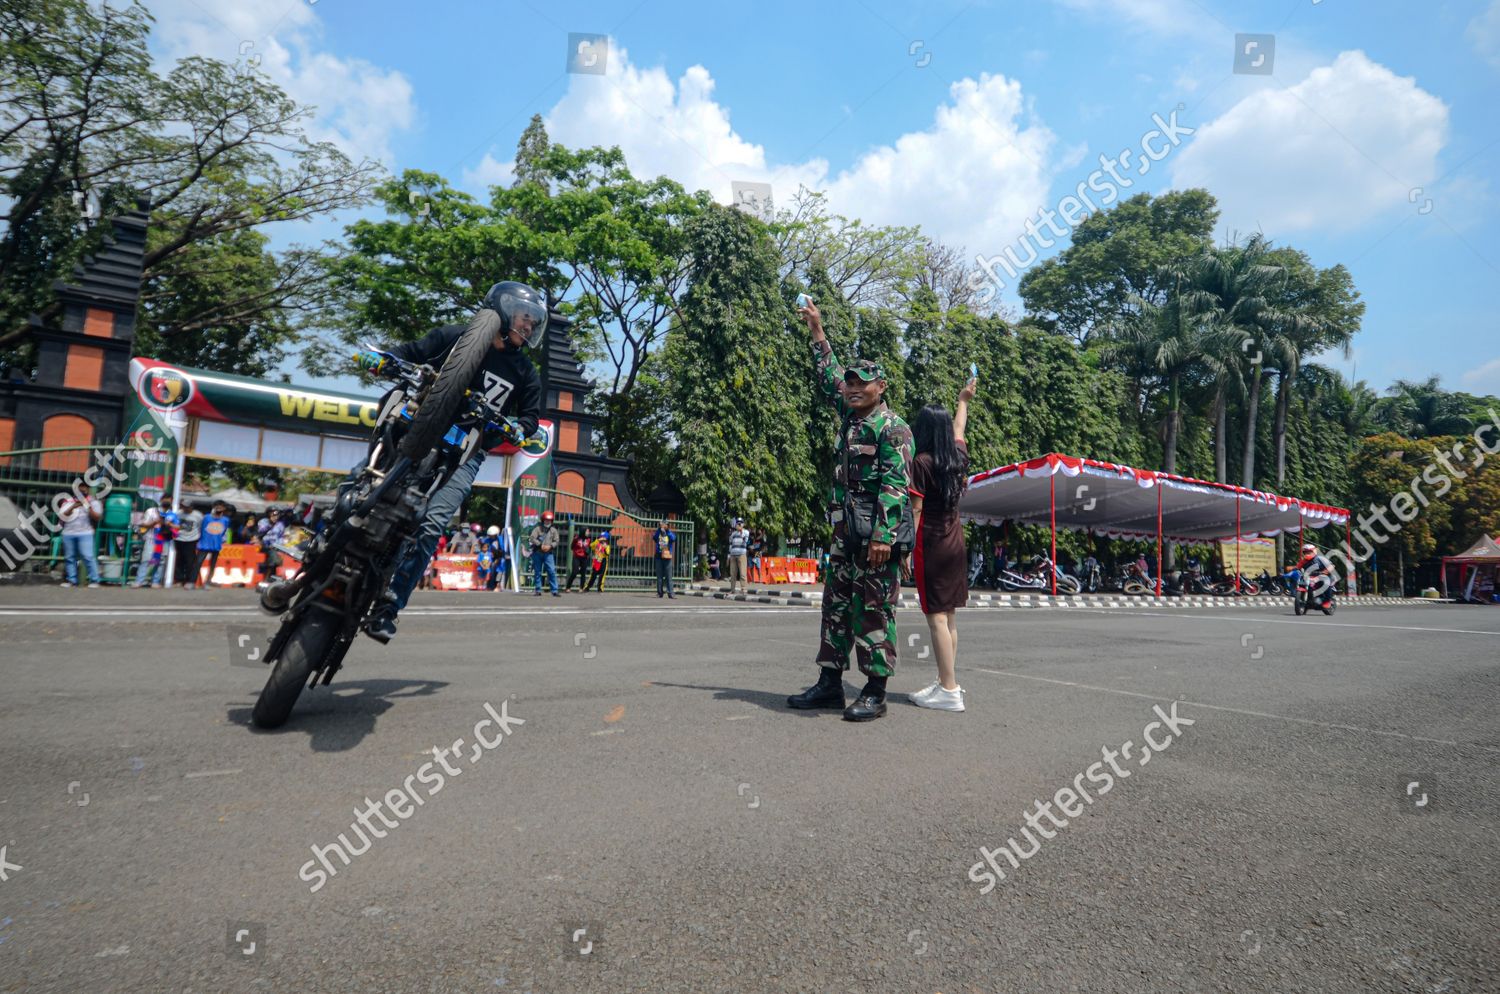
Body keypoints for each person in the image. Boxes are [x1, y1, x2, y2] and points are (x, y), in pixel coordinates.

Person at [354, 280, 547, 640]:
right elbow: (410, 352)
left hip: (467, 453)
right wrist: (382, 359)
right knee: (360, 484)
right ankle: (320, 547)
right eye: (524, 318)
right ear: (503, 311)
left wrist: (520, 428)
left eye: (533, 323)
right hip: (417, 430)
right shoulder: (456, 337)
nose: (528, 326)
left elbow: (531, 417)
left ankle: (388, 607)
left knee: (430, 526)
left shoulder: (525, 373)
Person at [787, 299, 913, 722]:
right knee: (836, 604)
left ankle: (875, 690)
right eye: (851, 383)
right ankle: (829, 683)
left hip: (875, 537)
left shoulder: (892, 427)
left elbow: (896, 485)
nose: (853, 388)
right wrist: (817, 331)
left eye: (863, 383)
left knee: (874, 608)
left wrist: (883, 535)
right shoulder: (851, 418)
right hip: (845, 534)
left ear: (881, 387)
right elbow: (829, 376)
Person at [906, 378, 976, 713]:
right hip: (956, 542)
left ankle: (949, 688)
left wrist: (906, 548)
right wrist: (964, 399)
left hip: (931, 543)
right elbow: (960, 427)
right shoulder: (957, 457)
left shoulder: (921, 463)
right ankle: (946, 681)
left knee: (935, 618)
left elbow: (916, 509)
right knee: (949, 618)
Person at [58, 482, 103, 588]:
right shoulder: (67, 501)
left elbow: (97, 517)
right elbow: (62, 516)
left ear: (88, 490)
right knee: (69, 557)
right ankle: (72, 581)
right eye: (79, 489)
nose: (82, 491)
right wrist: (73, 506)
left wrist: (87, 506)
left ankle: (94, 580)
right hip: (68, 533)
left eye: (84, 489)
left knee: (88, 556)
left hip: (85, 533)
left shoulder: (94, 502)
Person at [134, 497, 179, 588]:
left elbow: (177, 527)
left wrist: (169, 524)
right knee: (146, 560)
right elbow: (143, 524)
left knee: (160, 561)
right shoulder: (151, 511)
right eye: (166, 500)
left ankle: (155, 581)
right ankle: (139, 581)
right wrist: (154, 522)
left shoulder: (172, 514)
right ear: (161, 500)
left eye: (169, 501)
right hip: (151, 539)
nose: (167, 502)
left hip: (164, 541)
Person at [191, 500, 231, 587]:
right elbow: (200, 528)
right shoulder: (206, 517)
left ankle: (208, 582)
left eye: (221, 506)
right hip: (204, 544)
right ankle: (192, 582)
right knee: (198, 563)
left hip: (216, 545)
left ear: (224, 508)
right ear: (213, 507)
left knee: (212, 565)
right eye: (217, 505)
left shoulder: (226, 520)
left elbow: (223, 532)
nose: (218, 507)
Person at [529, 510, 561, 597]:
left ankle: (554, 590)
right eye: (546, 520)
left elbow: (557, 541)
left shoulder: (553, 530)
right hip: (538, 553)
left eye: (549, 520)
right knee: (537, 571)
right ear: (543, 520)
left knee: (551, 571)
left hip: (548, 553)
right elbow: (532, 538)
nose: (548, 522)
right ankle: (538, 590)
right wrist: (540, 545)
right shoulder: (537, 529)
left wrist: (550, 546)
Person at [174, 501, 203, 586]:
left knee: (190, 561)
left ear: (191, 507)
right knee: (179, 560)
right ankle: (179, 580)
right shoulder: (178, 513)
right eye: (183, 506)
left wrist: (199, 538)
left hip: (191, 540)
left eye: (187, 507)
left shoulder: (198, 515)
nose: (185, 508)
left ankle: (188, 580)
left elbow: (201, 526)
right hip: (179, 539)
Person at [653, 521, 677, 598]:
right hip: (658, 556)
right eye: (662, 524)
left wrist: (667, 531)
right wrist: (659, 529)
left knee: (668, 575)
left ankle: (671, 593)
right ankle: (660, 593)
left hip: (667, 556)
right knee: (659, 576)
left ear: (667, 526)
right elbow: (654, 537)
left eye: (664, 525)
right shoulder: (658, 532)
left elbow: (673, 538)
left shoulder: (669, 533)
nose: (663, 526)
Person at [727, 518, 750, 593]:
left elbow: (745, 541)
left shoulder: (746, 532)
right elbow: (730, 544)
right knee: (732, 574)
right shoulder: (733, 534)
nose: (739, 524)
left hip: (741, 555)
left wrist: (741, 531)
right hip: (733, 555)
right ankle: (732, 589)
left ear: (743, 524)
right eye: (738, 523)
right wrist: (728, 556)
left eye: (740, 523)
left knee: (742, 573)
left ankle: (743, 589)